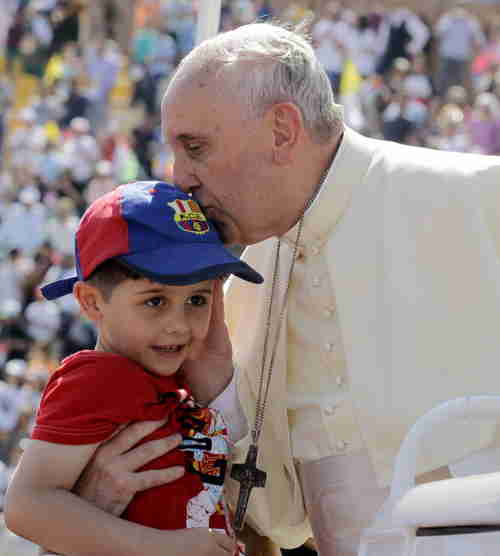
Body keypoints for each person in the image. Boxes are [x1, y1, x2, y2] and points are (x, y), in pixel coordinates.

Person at [52, 22, 500, 556]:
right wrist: (216, 395)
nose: (181, 178)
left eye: (196, 147)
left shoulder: (476, 198)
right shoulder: (240, 277)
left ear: (283, 130)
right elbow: (279, 519)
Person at [5, 181, 263, 556]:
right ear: (92, 303)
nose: (179, 323)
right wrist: (164, 548)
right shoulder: (95, 378)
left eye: (197, 299)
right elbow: (28, 506)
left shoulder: (179, 377)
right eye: (155, 301)